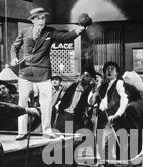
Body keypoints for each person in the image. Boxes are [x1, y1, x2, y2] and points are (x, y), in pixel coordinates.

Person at [10, 7, 87, 140]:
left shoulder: (50, 32)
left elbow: (65, 37)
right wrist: (13, 57)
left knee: (46, 101)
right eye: (38, 18)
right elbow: (14, 47)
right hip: (25, 71)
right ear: (33, 20)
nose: (41, 20)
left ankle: (47, 130)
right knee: (22, 102)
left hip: (43, 72)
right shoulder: (24, 31)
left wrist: (78, 30)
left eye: (43, 18)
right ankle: (22, 132)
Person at [54, 68, 95, 167]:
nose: (83, 77)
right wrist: (61, 109)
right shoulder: (72, 86)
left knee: (74, 146)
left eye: (87, 75)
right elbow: (62, 99)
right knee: (61, 144)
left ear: (90, 79)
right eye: (82, 74)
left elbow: (91, 104)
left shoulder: (90, 90)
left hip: (76, 120)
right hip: (64, 117)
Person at [89, 61, 128, 167]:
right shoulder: (102, 86)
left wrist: (117, 115)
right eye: (107, 69)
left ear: (117, 73)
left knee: (110, 149)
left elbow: (125, 100)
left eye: (112, 69)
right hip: (101, 119)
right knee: (103, 149)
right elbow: (91, 102)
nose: (109, 71)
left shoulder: (119, 83)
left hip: (113, 120)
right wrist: (94, 90)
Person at [121, 71, 143, 155]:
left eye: (125, 84)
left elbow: (134, 136)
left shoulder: (131, 107)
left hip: (138, 150)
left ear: (128, 89)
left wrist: (126, 155)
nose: (123, 86)